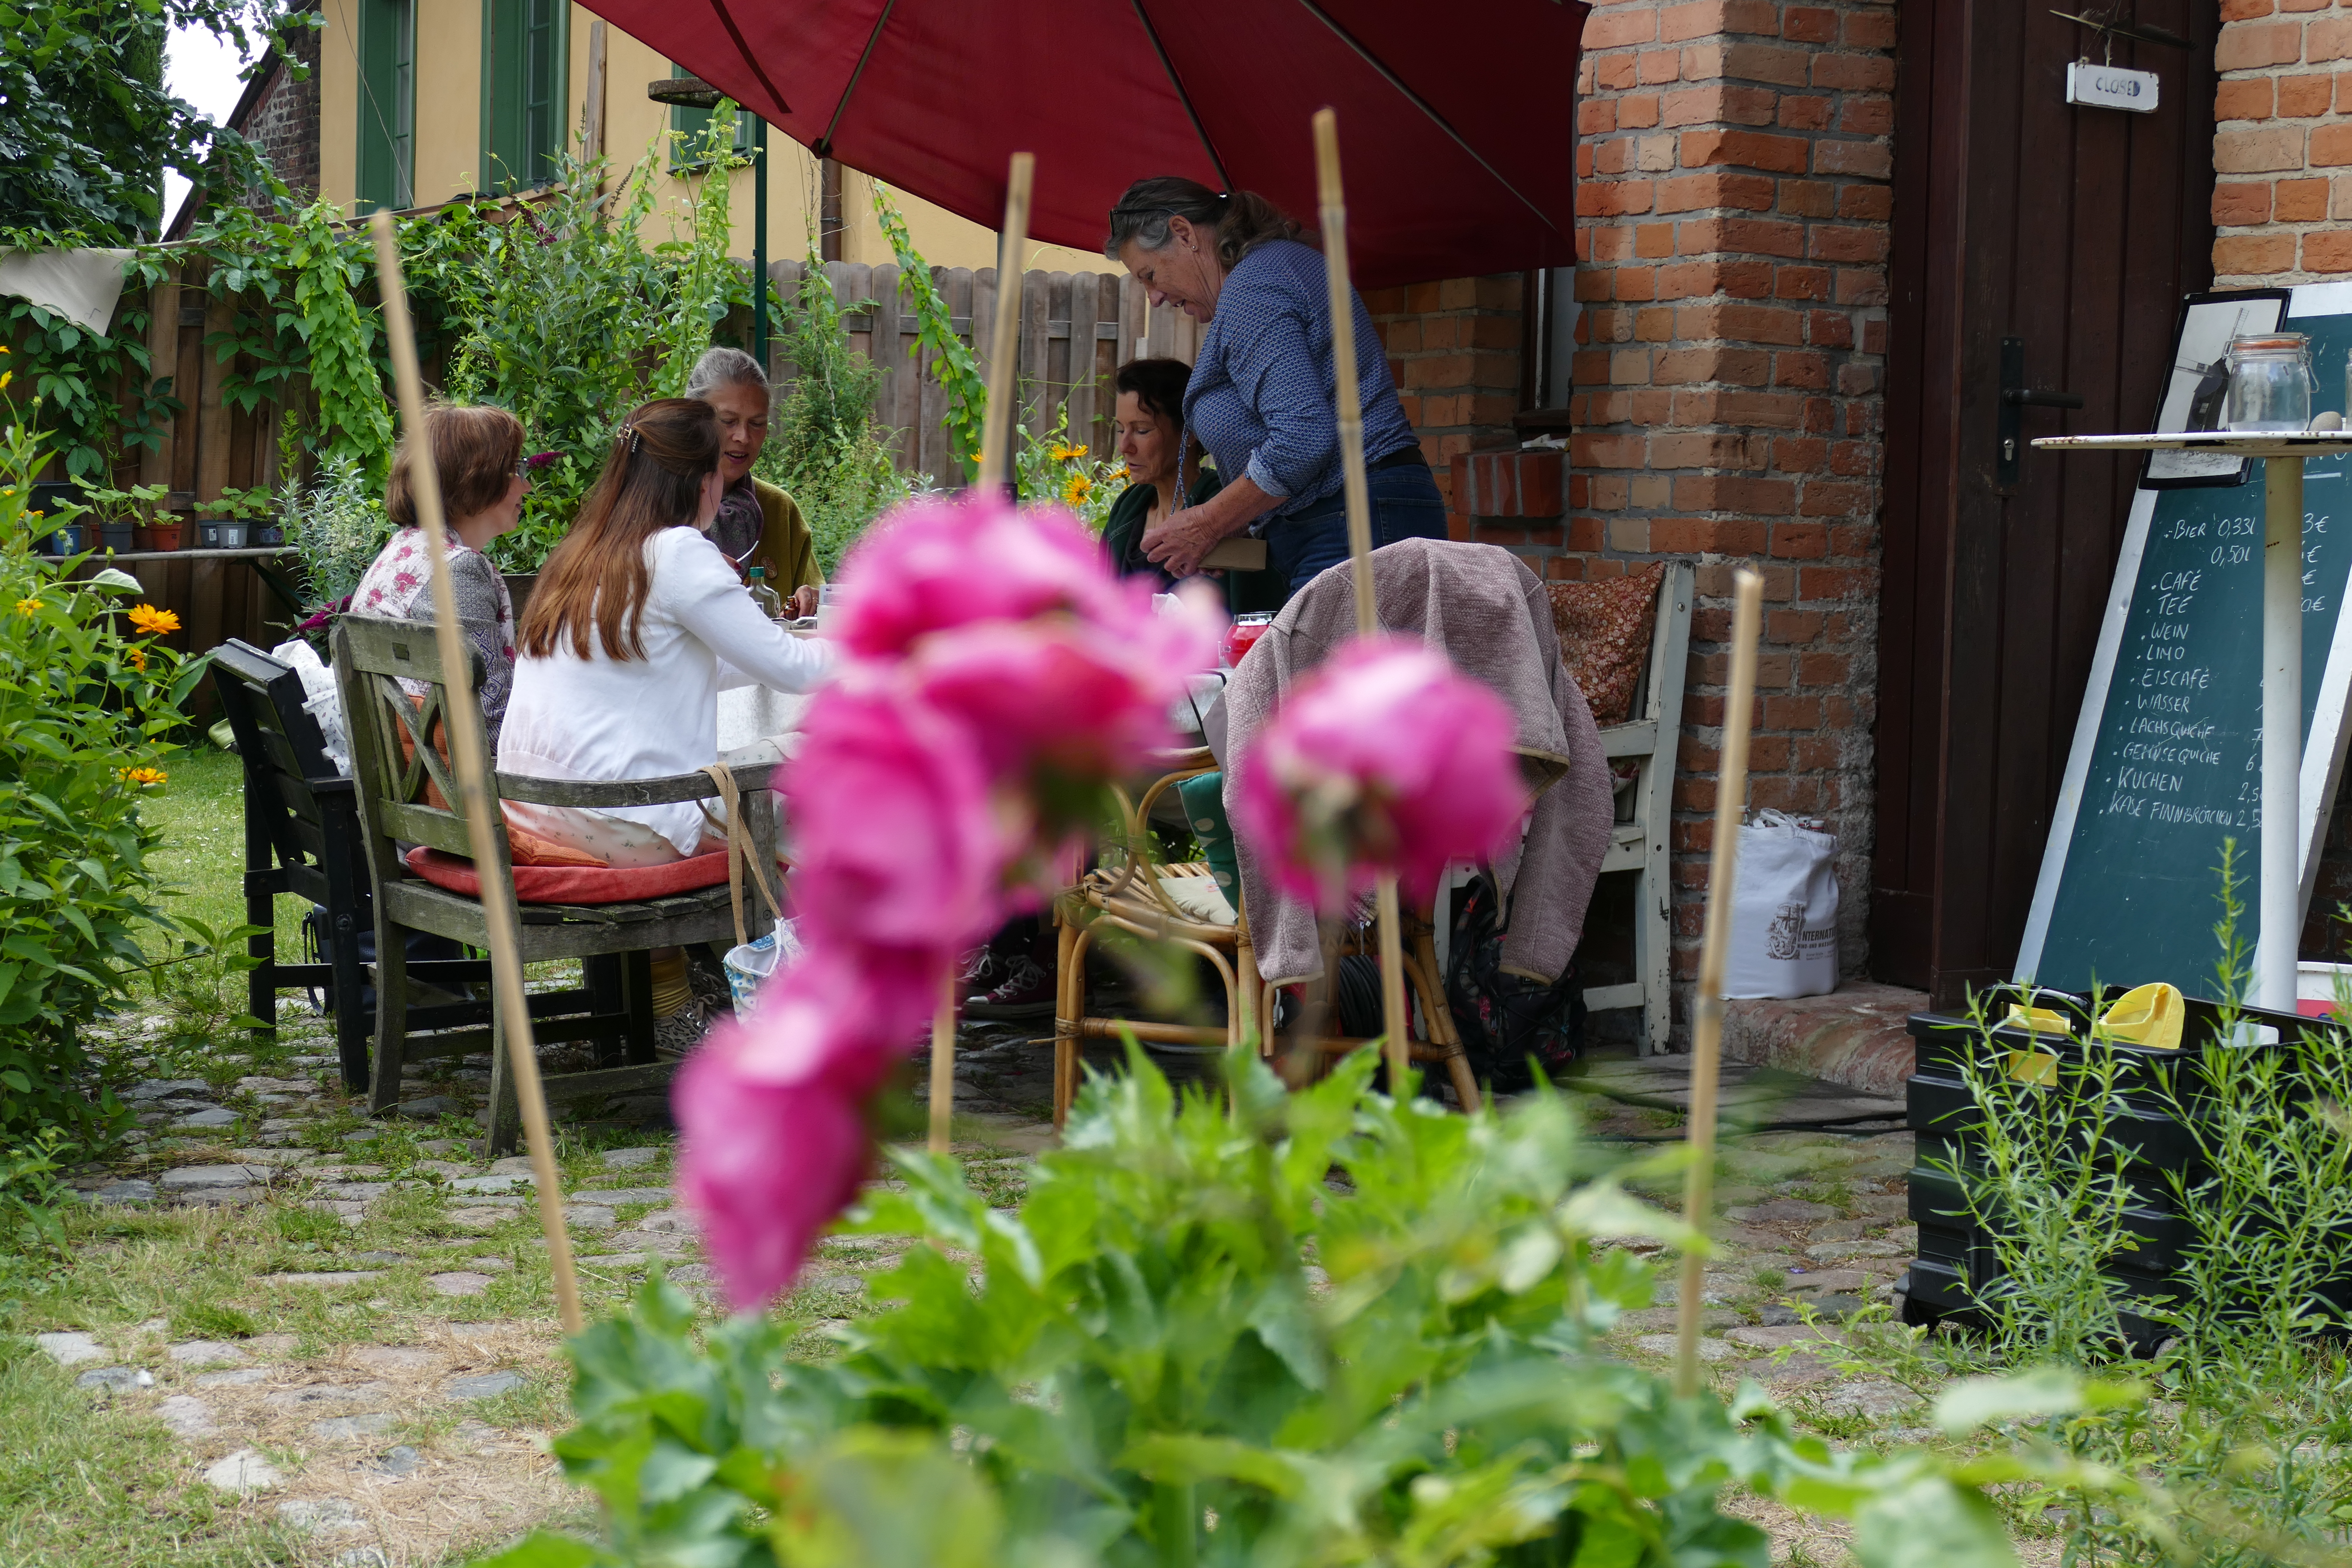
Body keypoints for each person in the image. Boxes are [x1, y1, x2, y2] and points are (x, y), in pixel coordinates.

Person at [500, 398, 833, 869]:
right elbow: (794, 670)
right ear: (703, 482)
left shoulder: (582, 551)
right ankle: (814, 932)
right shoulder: (676, 550)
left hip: (534, 807)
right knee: (834, 754)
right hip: (625, 820)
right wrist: (877, 647)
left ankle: (721, 940)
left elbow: (681, 665)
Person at [1105, 177, 1446, 599]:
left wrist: (1210, 522)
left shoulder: (1252, 290)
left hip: (1353, 519)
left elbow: (1302, 436)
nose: (1153, 298)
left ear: (1183, 233)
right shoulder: (1274, 270)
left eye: (1151, 275)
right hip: (1361, 513)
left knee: (1337, 668)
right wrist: (1236, 532)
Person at [350, 401, 528, 747]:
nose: (527, 487)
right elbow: (489, 723)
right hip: (455, 791)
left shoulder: (406, 550)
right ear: (477, 478)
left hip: (411, 775)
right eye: (517, 471)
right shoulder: (456, 571)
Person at [685, 346, 824, 618]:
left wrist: (811, 602)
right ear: (691, 419)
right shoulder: (647, 503)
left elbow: (814, 598)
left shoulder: (779, 511)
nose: (743, 437)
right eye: (728, 421)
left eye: (757, 423)